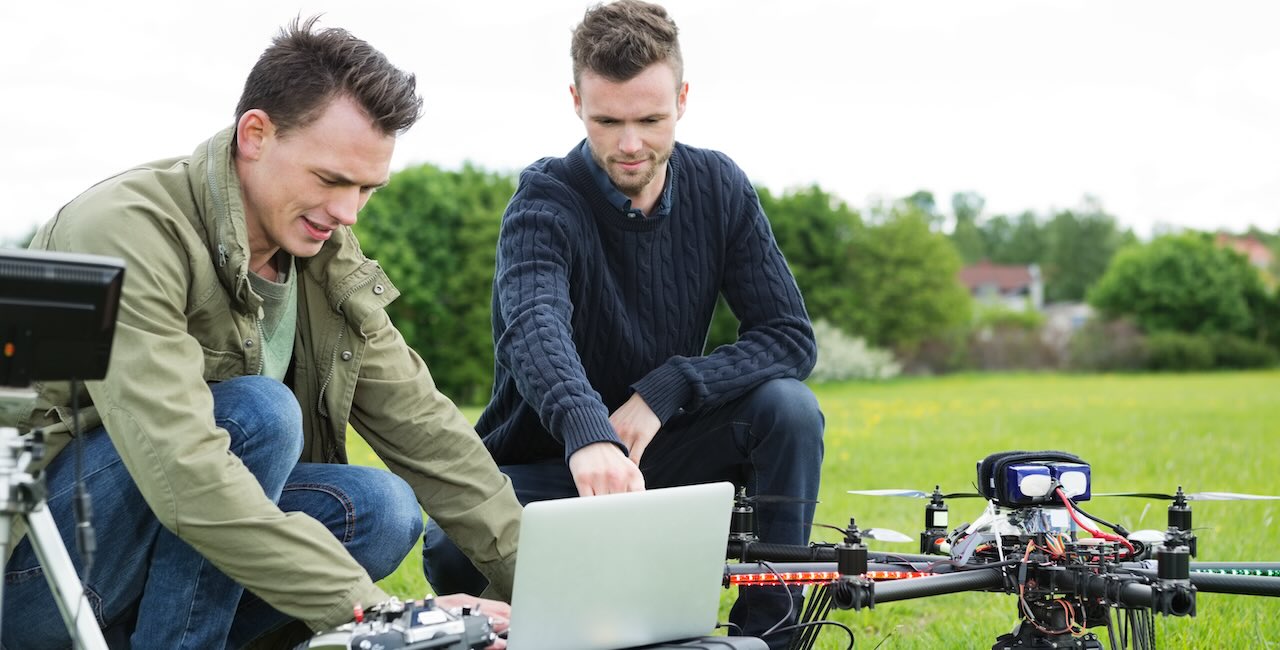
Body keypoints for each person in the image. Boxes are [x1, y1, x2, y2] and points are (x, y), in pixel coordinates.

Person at [2, 16, 521, 650]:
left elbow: (427, 430)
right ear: (256, 134)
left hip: (139, 562)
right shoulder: (124, 231)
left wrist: (555, 588)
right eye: (331, 180)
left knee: (382, 511)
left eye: (366, 189)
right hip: (33, 563)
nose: (348, 211)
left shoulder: (323, 255)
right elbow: (187, 473)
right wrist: (385, 618)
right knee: (258, 413)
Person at [422, 2, 824, 648]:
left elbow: (788, 337)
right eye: (608, 120)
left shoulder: (719, 185)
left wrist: (668, 388)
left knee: (789, 410)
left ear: (684, 99)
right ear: (576, 100)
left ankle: (768, 640)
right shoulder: (544, 199)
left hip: (666, 454)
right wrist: (588, 433)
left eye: (650, 119)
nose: (630, 143)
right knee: (449, 547)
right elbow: (534, 326)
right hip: (548, 461)